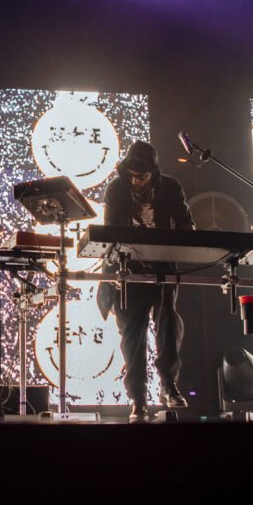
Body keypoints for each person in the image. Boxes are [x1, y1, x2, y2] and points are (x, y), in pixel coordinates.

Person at [97, 140, 194, 422]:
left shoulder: (171, 188)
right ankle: (138, 399)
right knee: (132, 335)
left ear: (154, 172)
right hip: (128, 270)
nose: (135, 180)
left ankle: (168, 384)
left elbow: (186, 223)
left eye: (141, 176)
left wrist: (184, 240)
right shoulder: (116, 189)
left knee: (168, 324)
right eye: (131, 175)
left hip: (162, 267)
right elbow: (110, 232)